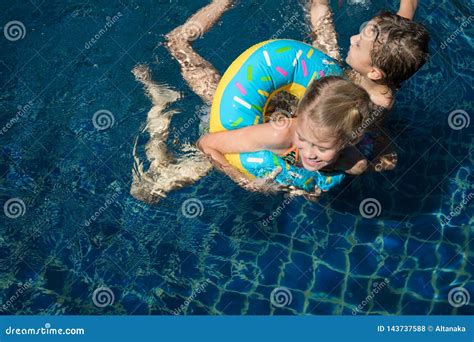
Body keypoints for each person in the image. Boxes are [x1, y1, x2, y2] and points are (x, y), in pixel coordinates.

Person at [309, 0, 429, 171]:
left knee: (358, 164)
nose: (352, 39)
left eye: (358, 44)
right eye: (360, 34)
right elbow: (408, 9)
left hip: (361, 128)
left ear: (374, 72)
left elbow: (334, 139)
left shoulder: (364, 106)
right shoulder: (395, 44)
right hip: (364, 95)